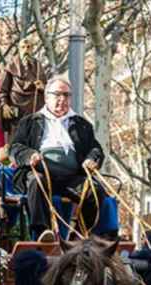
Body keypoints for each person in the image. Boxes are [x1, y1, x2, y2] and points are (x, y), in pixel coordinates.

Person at [8, 77, 106, 240]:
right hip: (41, 174)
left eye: (67, 95)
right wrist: (29, 155)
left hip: (72, 177)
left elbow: (95, 149)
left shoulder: (81, 124)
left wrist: (92, 159)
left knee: (95, 190)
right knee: (35, 182)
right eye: (57, 94)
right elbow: (15, 148)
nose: (62, 99)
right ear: (46, 97)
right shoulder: (30, 122)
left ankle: (78, 238)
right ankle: (42, 232)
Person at [0, 37, 48, 135]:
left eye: (28, 47)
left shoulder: (38, 66)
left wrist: (42, 87)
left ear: (32, 49)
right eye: (23, 47)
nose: (26, 50)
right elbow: (3, 90)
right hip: (16, 112)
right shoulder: (11, 66)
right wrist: (4, 105)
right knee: (16, 140)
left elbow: (47, 88)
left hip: (34, 112)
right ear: (19, 49)